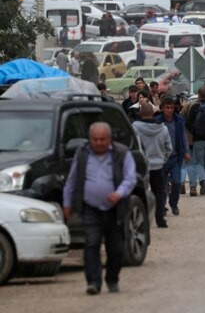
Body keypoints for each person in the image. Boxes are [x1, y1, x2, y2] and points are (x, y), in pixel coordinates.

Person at [63, 122, 136, 295]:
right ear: (90, 139)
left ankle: (112, 279)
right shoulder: (82, 154)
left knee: (116, 247)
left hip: (115, 208)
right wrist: (67, 204)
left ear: (109, 139)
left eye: (102, 139)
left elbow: (130, 178)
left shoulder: (121, 153)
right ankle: (93, 282)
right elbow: (72, 181)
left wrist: (119, 193)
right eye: (95, 139)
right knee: (91, 244)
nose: (99, 143)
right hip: (90, 207)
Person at [132, 103, 173, 228]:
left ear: (140, 113)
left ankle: (141, 220)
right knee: (159, 193)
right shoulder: (163, 129)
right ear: (153, 113)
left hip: (141, 167)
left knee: (141, 193)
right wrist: (162, 159)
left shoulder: (134, 128)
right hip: (158, 166)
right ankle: (160, 219)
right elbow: (169, 148)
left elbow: (132, 145)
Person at [155, 95, 190, 215]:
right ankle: (162, 206)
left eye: (171, 108)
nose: (169, 110)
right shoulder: (158, 121)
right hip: (161, 159)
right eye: (167, 108)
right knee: (162, 185)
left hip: (175, 157)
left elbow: (183, 137)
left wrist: (186, 151)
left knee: (176, 182)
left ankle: (174, 204)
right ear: (162, 108)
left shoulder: (179, 120)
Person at [180, 100, 202, 196]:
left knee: (183, 164)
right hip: (196, 140)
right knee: (192, 163)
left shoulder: (183, 114)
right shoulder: (201, 112)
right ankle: (193, 186)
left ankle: (181, 184)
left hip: (185, 141)